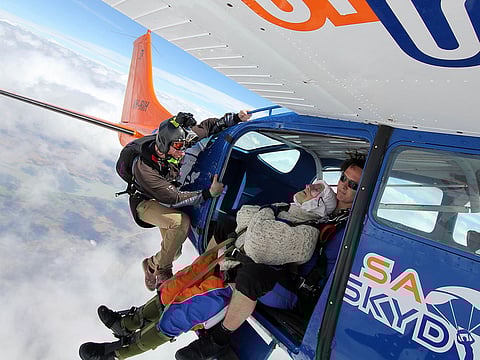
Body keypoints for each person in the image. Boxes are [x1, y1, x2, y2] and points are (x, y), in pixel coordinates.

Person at [78, 180, 340, 360]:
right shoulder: (285, 211)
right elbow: (245, 218)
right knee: (176, 286)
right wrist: (264, 217)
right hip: (233, 261)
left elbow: (259, 238)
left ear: (317, 206)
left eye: (315, 189)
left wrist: (266, 211)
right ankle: (128, 323)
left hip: (249, 280)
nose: (308, 186)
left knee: (183, 312)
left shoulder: (307, 233)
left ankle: (117, 353)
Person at [175, 152, 366, 360]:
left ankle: (216, 341)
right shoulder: (322, 203)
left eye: (353, 185)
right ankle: (196, 278)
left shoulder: (349, 228)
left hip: (295, 285)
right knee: (226, 226)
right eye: (343, 178)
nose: (344, 186)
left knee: (252, 274)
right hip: (281, 259)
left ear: (362, 192)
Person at [129, 110, 251, 291]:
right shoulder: (144, 167)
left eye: (183, 145)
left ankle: (151, 265)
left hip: (166, 199)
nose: (182, 151)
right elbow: (173, 197)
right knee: (180, 224)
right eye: (177, 146)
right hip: (146, 201)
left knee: (174, 251)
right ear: (164, 144)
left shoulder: (183, 143)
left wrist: (235, 119)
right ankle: (163, 271)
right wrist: (209, 193)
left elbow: (210, 126)